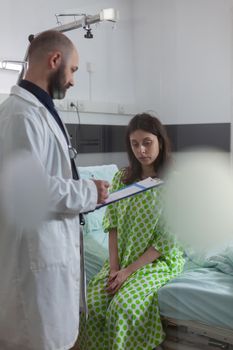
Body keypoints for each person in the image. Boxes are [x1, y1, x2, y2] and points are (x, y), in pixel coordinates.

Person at [0, 30, 109, 350]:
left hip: (49, 255)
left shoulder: (39, 110)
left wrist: (87, 191)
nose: (73, 79)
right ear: (55, 60)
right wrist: (89, 192)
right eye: (73, 69)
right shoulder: (21, 115)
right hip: (33, 266)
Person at [78, 113, 185, 350]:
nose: (141, 150)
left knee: (122, 308)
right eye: (135, 144)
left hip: (158, 261)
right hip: (121, 259)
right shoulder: (121, 178)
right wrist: (115, 268)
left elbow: (168, 240)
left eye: (147, 142)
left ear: (160, 141)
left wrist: (129, 271)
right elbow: (112, 224)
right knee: (92, 305)